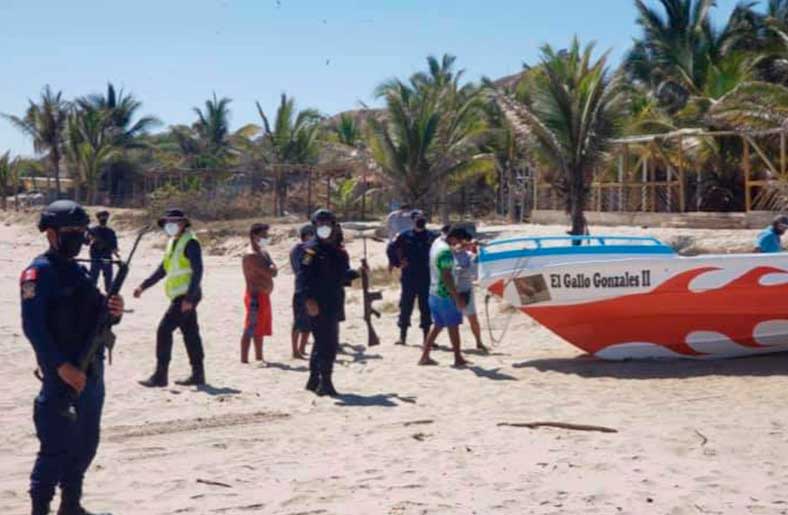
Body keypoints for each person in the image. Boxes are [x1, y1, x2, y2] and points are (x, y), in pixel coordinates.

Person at [21, 200, 124, 515]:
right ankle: (40, 509)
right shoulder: (38, 273)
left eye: (82, 231)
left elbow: (97, 315)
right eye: (71, 231)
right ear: (51, 234)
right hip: (61, 373)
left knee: (85, 443)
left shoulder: (79, 272)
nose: (79, 237)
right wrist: (61, 366)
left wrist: (114, 310)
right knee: (54, 447)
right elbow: (33, 327)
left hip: (91, 370)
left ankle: (71, 505)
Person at [135, 208, 206, 387]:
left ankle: (160, 376)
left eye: (173, 222)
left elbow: (198, 271)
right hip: (180, 295)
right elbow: (163, 269)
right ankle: (198, 374)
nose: (170, 226)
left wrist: (189, 298)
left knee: (164, 330)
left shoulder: (190, 242)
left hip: (186, 295)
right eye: (167, 223)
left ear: (183, 223)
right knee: (191, 334)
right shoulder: (173, 242)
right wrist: (143, 286)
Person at [298, 208, 360, 396]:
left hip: (334, 301)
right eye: (320, 224)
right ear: (314, 226)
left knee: (323, 341)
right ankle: (325, 382)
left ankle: (314, 379)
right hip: (317, 301)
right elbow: (303, 277)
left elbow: (341, 277)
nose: (324, 227)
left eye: (327, 223)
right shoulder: (310, 250)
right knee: (328, 343)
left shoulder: (338, 251)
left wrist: (358, 272)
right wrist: (308, 299)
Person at [418, 226, 471, 367]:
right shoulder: (446, 252)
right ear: (453, 238)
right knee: (453, 326)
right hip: (445, 294)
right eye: (459, 241)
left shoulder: (437, 243)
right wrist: (457, 297)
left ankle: (425, 356)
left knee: (438, 325)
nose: (458, 243)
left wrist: (460, 247)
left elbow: (445, 255)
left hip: (433, 291)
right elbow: (447, 275)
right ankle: (458, 357)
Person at [389, 210, 437, 346]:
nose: (420, 220)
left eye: (422, 218)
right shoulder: (405, 236)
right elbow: (391, 249)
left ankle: (427, 338)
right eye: (417, 218)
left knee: (426, 308)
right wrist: (398, 263)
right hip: (409, 277)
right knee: (405, 306)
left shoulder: (432, 236)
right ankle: (402, 336)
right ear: (412, 220)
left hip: (426, 277)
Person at [241, 223, 278, 364]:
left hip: (264, 295)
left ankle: (259, 356)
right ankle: (244, 359)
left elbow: (273, 269)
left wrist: (272, 267)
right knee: (250, 327)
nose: (266, 238)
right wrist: (272, 267)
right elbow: (271, 272)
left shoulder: (263, 252)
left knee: (259, 328)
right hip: (255, 295)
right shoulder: (251, 255)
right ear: (254, 235)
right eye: (264, 235)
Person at [453, 237, 488, 352]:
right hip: (453, 290)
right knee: (448, 320)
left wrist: (475, 249)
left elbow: (474, 271)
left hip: (466, 289)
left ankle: (479, 342)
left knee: (472, 318)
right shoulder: (449, 255)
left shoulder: (469, 255)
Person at [290, 224, 315, 359]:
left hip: (310, 289)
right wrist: (311, 252)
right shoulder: (300, 250)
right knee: (298, 321)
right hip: (301, 289)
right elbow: (304, 267)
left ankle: (302, 348)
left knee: (309, 321)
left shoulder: (307, 249)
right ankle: (295, 351)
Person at [87, 210, 119, 293]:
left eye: (105, 217)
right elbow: (86, 242)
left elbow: (114, 246)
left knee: (108, 280)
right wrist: (91, 239)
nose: (104, 219)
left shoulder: (111, 232)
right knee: (93, 279)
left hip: (107, 256)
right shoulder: (93, 230)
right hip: (95, 257)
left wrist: (116, 253)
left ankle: (109, 298)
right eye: (102, 217)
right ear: (98, 218)